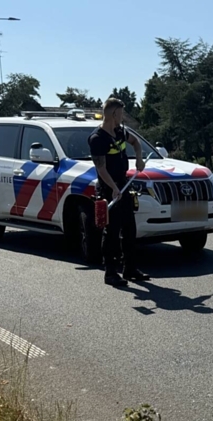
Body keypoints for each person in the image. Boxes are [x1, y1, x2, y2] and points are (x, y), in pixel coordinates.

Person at [88, 97, 149, 286]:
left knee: (130, 229)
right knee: (111, 231)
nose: (123, 117)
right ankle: (110, 272)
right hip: (109, 189)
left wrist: (139, 159)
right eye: (121, 113)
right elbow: (101, 168)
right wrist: (114, 188)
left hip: (124, 185)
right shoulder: (97, 138)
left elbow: (136, 142)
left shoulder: (120, 132)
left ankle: (130, 269)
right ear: (114, 114)